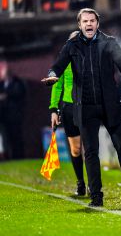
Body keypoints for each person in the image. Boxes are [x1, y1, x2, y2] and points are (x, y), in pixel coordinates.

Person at [41, 8, 121, 207]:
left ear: (98, 23)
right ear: (79, 25)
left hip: (110, 105)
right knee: (90, 152)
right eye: (85, 21)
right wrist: (53, 74)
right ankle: (96, 197)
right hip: (85, 107)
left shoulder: (109, 42)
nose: (89, 24)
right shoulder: (71, 45)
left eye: (92, 21)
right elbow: (58, 65)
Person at [48, 31, 87, 196]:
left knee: (90, 147)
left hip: (88, 107)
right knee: (76, 149)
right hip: (70, 108)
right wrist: (54, 109)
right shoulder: (64, 61)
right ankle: (80, 181)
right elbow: (57, 85)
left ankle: (94, 182)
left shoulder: (90, 60)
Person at [0, 59, 26, 160]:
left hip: (15, 116)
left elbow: (19, 93)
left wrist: (6, 95)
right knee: (6, 138)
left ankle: (19, 157)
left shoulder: (17, 82)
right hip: (4, 116)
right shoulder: (1, 84)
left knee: (16, 137)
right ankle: (9, 157)